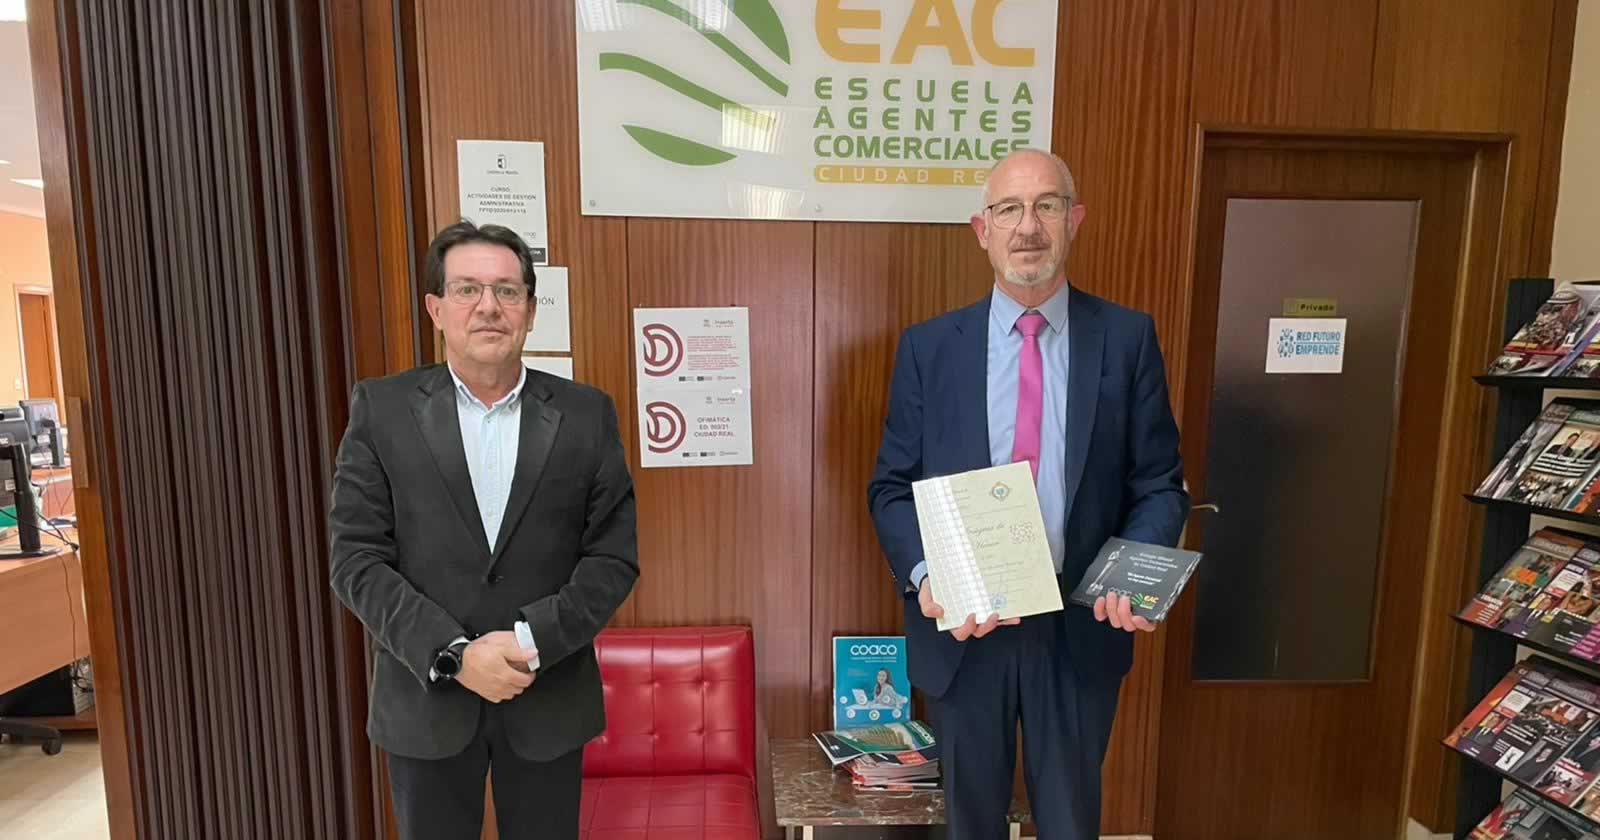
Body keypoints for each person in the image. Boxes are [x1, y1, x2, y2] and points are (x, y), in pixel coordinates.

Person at [867, 148, 1189, 838]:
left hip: (1080, 627)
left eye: (1046, 205)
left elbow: (1159, 485)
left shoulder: (1127, 339)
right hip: (967, 630)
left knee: (1070, 824)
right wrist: (927, 575)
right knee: (969, 825)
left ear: (1074, 219)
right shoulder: (929, 348)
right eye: (1009, 209)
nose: (1028, 226)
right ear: (982, 229)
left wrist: (1130, 573)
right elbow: (892, 488)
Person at [329, 220, 638, 840]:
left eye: (507, 290)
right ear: (436, 309)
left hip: (547, 698)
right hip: (426, 703)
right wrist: (454, 654)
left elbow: (612, 558)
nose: (488, 306)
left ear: (531, 310)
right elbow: (356, 560)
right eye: (467, 289)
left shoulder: (585, 414)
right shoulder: (381, 409)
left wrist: (532, 640)